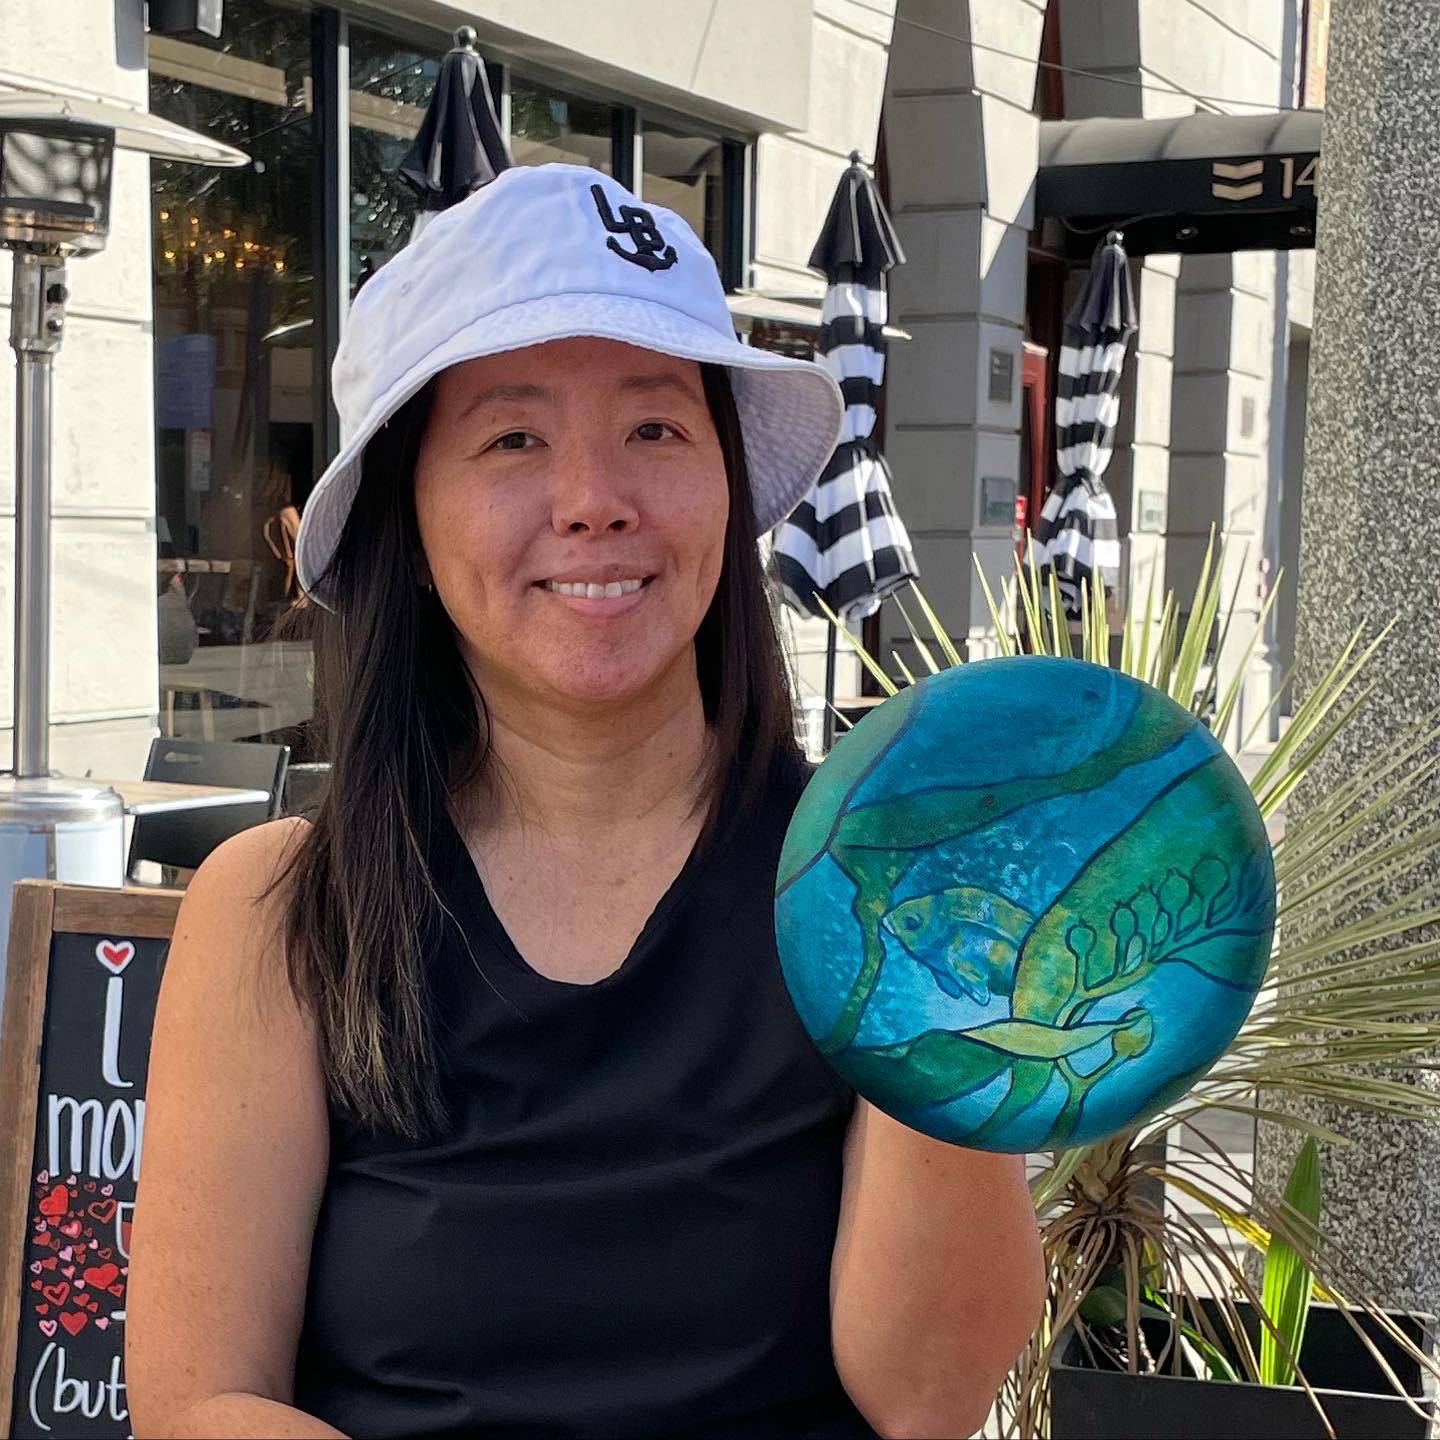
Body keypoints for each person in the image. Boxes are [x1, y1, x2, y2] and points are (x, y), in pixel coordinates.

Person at [126, 163, 1044, 1439]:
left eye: (655, 429)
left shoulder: (877, 878)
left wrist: (929, 983)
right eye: (513, 439)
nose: (595, 502)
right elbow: (201, 1401)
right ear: (408, 517)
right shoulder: (284, 911)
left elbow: (928, 1396)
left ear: (727, 485)